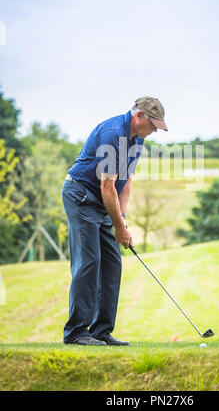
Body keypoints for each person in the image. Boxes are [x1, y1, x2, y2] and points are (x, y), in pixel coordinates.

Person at [62, 97, 168, 346]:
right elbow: (107, 184)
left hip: (102, 201)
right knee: (89, 262)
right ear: (139, 116)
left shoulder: (138, 139)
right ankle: (76, 332)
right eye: (153, 125)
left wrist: (121, 219)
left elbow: (126, 181)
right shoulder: (112, 134)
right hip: (81, 196)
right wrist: (119, 228)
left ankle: (101, 331)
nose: (154, 131)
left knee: (112, 263)